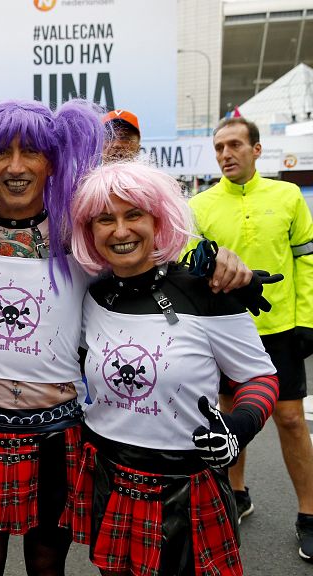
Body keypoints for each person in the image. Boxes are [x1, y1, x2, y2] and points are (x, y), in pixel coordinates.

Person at [63, 161, 279, 575]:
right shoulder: (90, 295)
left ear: (159, 218)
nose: (120, 231)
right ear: (90, 231)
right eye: (105, 219)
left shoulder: (208, 292)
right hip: (109, 475)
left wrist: (240, 425)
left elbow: (259, 376)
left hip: (187, 486)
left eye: (134, 215)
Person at [0, 99, 102, 576]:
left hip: (58, 428)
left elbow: (145, 263)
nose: (15, 167)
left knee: (48, 569)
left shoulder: (79, 232)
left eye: (30, 152)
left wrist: (216, 268)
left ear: (53, 159)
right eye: (0, 154)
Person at [188, 116, 313, 562]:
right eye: (219, 147)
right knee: (227, 418)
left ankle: (309, 514)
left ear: (256, 150)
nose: (226, 154)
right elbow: (190, 264)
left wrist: (307, 319)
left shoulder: (288, 195)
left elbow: (307, 259)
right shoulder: (200, 205)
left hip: (280, 329)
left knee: (291, 419)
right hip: (223, 330)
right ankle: (238, 494)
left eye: (235, 145)